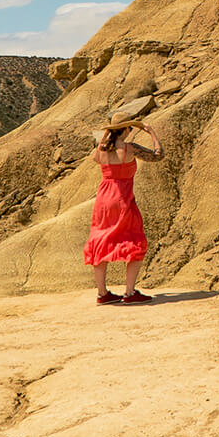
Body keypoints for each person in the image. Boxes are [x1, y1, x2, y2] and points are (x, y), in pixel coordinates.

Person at [83, 120, 163, 305]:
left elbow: (95, 158)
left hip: (103, 199)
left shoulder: (102, 150)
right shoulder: (130, 149)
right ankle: (129, 292)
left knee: (100, 240)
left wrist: (105, 137)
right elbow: (158, 155)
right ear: (126, 130)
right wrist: (151, 132)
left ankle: (102, 293)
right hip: (122, 198)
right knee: (135, 240)